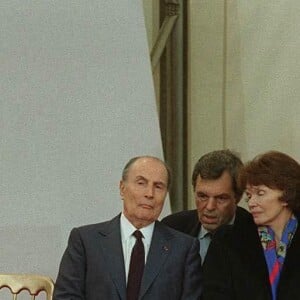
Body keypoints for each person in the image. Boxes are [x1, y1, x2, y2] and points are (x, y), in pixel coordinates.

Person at [53, 155, 202, 300]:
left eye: (158, 186)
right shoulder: (85, 241)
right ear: (122, 188)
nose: (149, 193)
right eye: (141, 183)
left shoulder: (184, 248)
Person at [202, 151, 300, 300]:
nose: (252, 203)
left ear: (287, 195)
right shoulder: (228, 240)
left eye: (260, 193)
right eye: (249, 195)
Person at [161, 149, 253, 262]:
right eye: (202, 196)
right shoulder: (172, 228)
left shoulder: (255, 235)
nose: (209, 207)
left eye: (221, 198)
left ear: (237, 197)